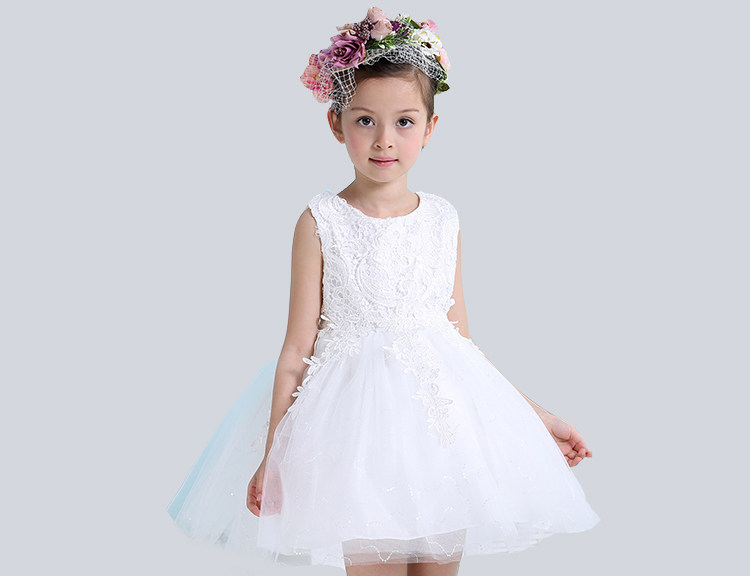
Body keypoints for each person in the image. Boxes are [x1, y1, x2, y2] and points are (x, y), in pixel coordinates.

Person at [166, 7, 600, 575]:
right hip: (354, 439)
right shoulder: (320, 221)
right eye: (365, 120)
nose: (384, 140)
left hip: (441, 435)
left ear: (431, 128)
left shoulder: (443, 219)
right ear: (336, 123)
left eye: (404, 121)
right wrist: (275, 454)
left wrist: (537, 417)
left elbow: (462, 344)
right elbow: (296, 350)